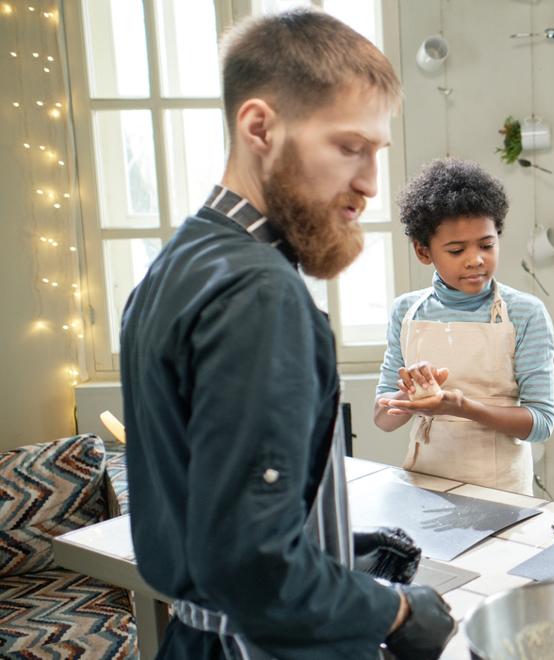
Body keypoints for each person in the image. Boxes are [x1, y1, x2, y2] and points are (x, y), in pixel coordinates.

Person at [120, 9, 454, 658]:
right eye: (348, 147)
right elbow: (255, 569)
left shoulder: (176, 264)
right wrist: (396, 608)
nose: (369, 185)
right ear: (259, 127)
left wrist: (336, 550)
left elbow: (215, 522)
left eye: (376, 153)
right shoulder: (261, 296)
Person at [373, 158, 554, 495]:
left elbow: (541, 423)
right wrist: (411, 392)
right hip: (423, 484)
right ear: (423, 251)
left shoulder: (524, 313)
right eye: (457, 250)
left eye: (487, 245)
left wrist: (461, 407)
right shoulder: (407, 311)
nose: (476, 259)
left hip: (500, 492)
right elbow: (383, 419)